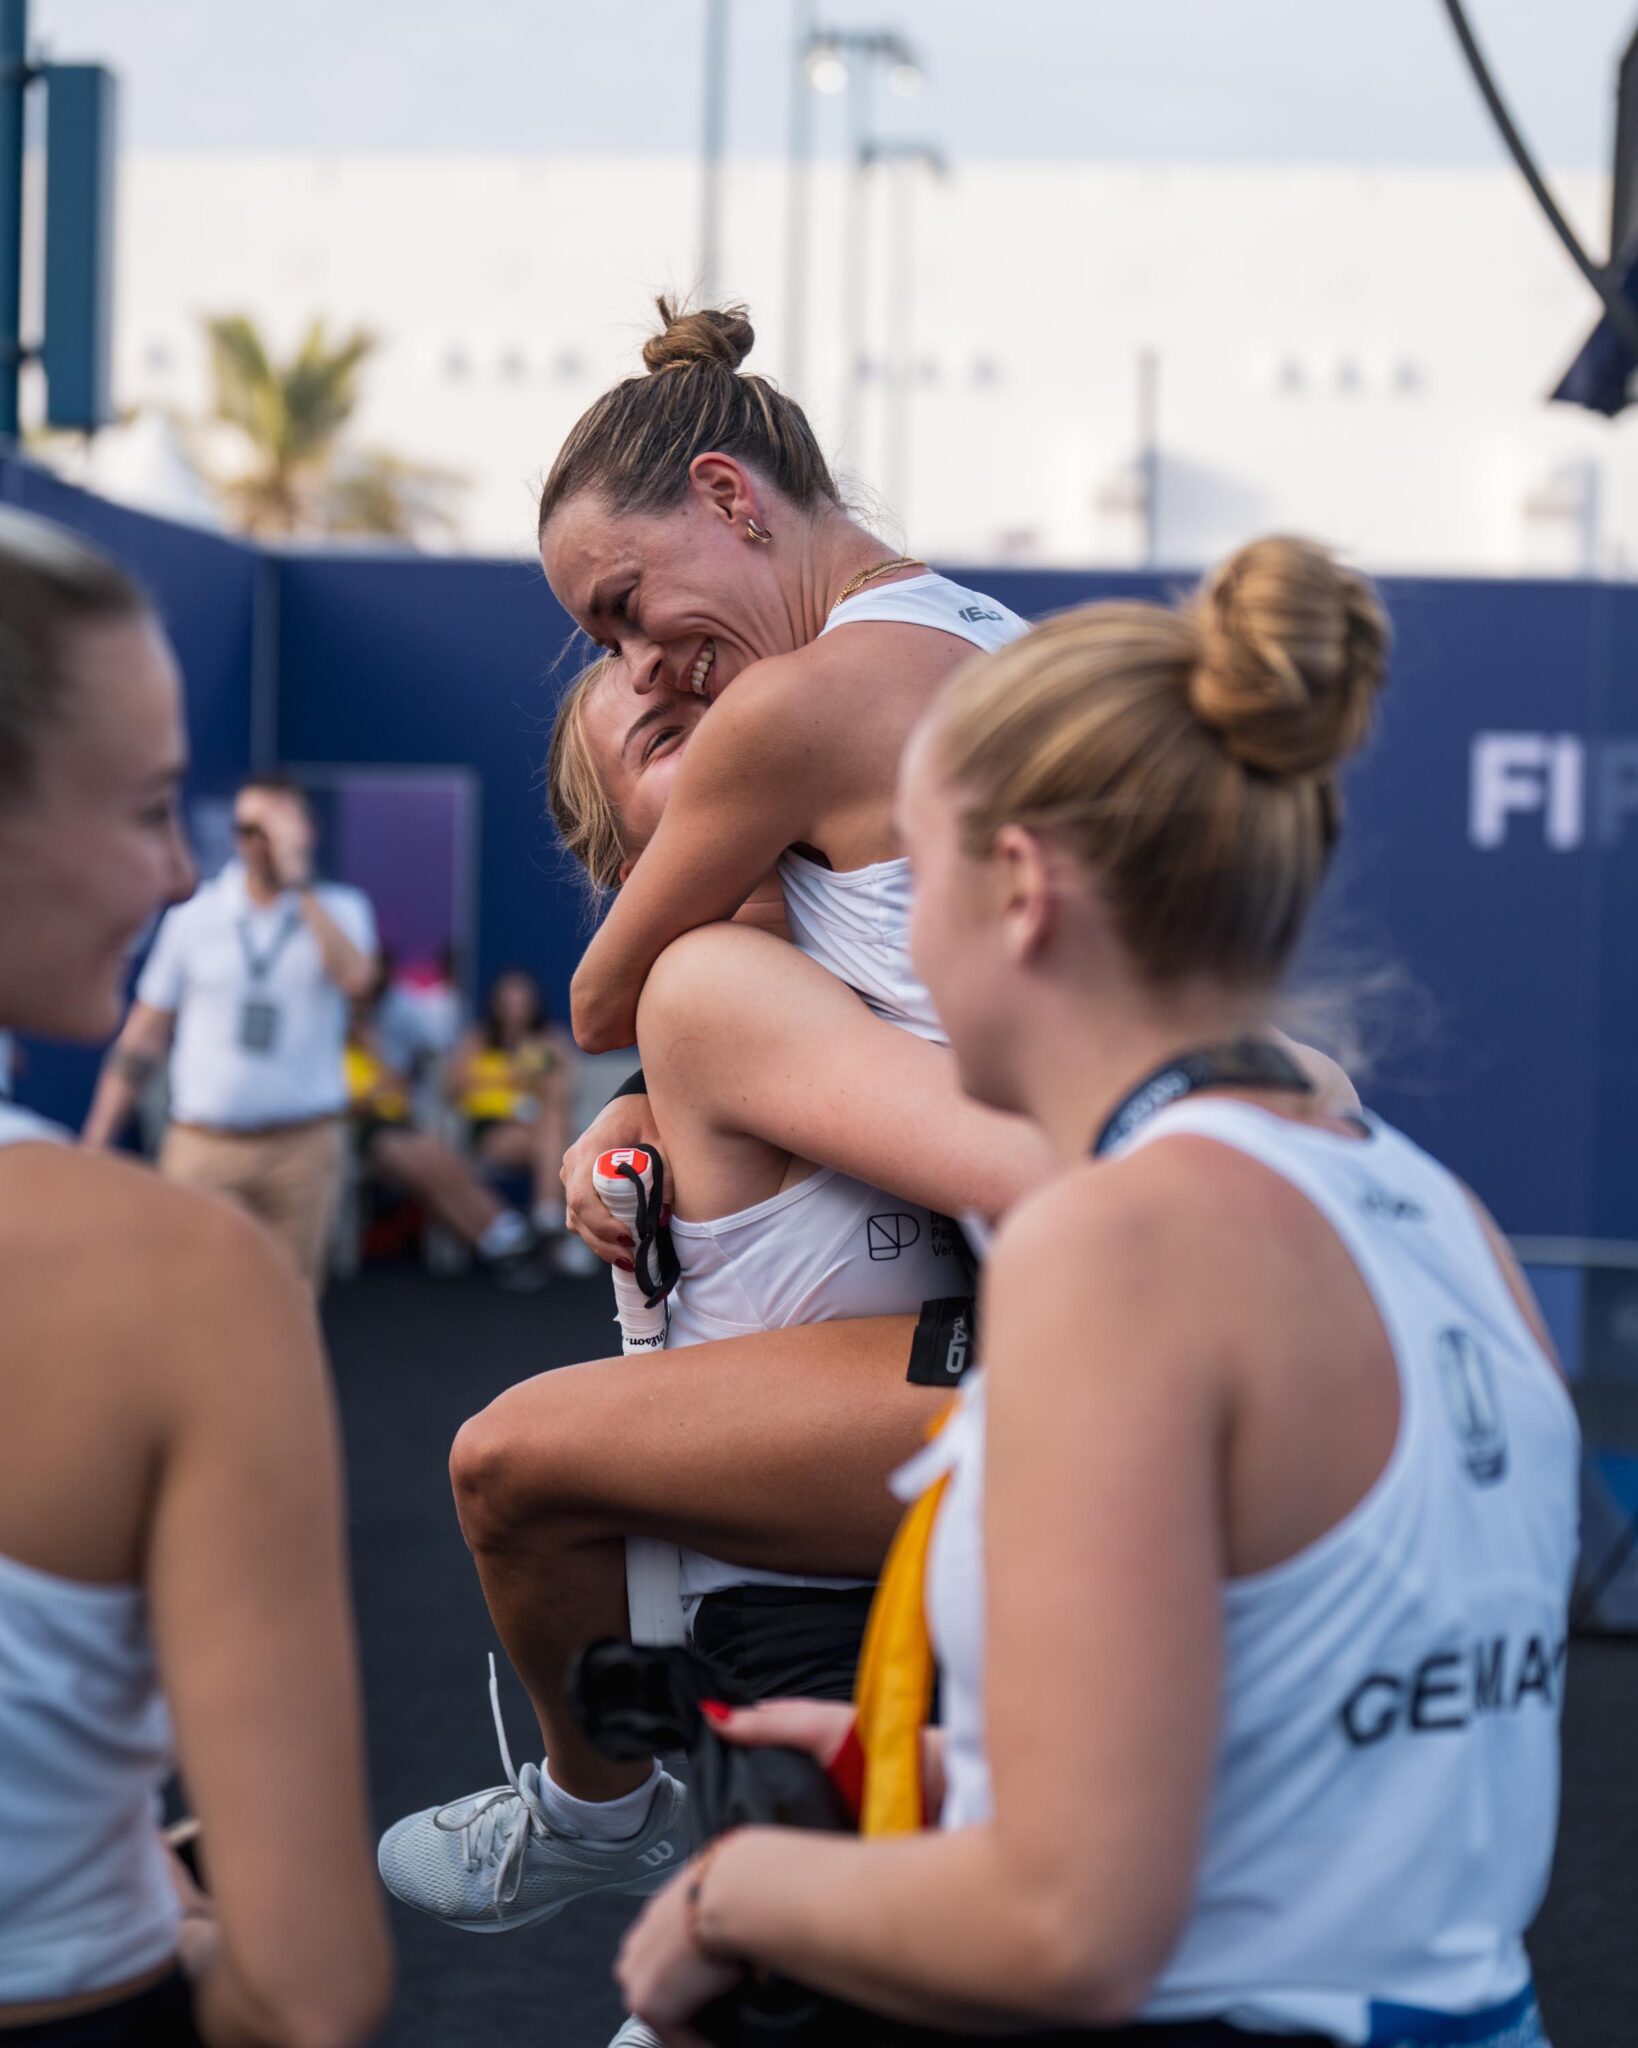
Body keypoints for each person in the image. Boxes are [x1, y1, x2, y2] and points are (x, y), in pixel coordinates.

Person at [614, 539, 1580, 2048]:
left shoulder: (1110, 1246)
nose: (878, 932)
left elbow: (1069, 1933)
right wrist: (922, 1766)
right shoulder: (1443, 1215)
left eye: (900, 880)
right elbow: (1326, 1747)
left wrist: (727, 1900)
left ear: (1015, 889)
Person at [376, 653, 1054, 1943]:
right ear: (630, 861)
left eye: (730, 705)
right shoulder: (710, 978)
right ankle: (597, 1806)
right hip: (813, 1622)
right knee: (505, 1460)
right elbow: (1056, 1158)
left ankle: (596, 1809)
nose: (741, 738)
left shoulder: (893, 952)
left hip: (961, 1588)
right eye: (671, 737)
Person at [0, 507, 390, 2043]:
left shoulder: (325, 917)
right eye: (150, 807)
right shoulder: (171, 1290)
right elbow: (309, 1996)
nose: (176, 871)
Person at [534, 296, 1028, 1259]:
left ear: (727, 495)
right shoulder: (1001, 638)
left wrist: (657, 1077)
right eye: (610, 644)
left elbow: (598, 1005)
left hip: (1103, 1254)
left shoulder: (791, 708)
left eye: (627, 604)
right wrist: (653, 1096)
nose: (642, 667)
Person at [83, 774, 378, 1291]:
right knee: (188, 1297)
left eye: (273, 828)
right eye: (247, 829)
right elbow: (145, 1033)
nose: (257, 842)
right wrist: (96, 1141)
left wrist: (299, 882)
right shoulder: (196, 916)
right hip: (203, 1147)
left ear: (306, 831)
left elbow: (356, 981)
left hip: (302, 1149)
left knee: (290, 1303)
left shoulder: (341, 909)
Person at [345, 968, 547, 1289]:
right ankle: (502, 1237)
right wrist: (372, 1096)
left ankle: (500, 1236)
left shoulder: (370, 1046)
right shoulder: (325, 1052)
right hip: (360, 1130)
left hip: (397, 1121)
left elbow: (399, 1090)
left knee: (441, 1168)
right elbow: (340, 1102)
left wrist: (373, 1051)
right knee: (425, 1164)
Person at [445, 968, 573, 1247]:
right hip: (491, 1129)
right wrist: (508, 1077)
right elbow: (452, 1089)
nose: (515, 1010)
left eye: (522, 1002)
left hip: (535, 1128)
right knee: (556, 1145)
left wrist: (538, 1066)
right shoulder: (476, 1039)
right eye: (508, 1002)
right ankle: (552, 1221)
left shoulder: (549, 1041)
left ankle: (546, 1218)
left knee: (552, 1126)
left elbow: (560, 1094)